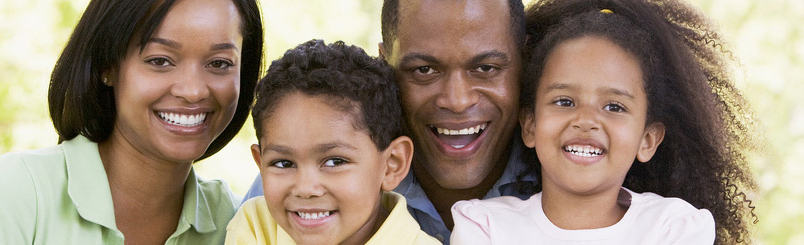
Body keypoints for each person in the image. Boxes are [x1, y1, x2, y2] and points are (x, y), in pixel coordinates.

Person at [0, 0, 263, 243]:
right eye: (160, 60)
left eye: (219, 63)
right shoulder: (15, 193)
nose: (193, 91)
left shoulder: (241, 225)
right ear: (108, 67)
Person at [450, 0, 758, 244]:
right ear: (530, 125)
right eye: (564, 102)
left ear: (647, 139)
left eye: (614, 106)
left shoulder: (673, 228)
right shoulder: (485, 228)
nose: (585, 120)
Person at [241, 1, 528, 244]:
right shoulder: (287, 194)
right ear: (385, 64)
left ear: (526, 63)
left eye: (486, 68)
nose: (457, 100)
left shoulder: (562, 176)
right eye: (424, 70)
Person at [226, 40, 440, 245]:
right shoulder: (257, 226)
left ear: (392, 164)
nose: (306, 188)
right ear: (260, 164)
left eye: (335, 161)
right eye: (283, 163)